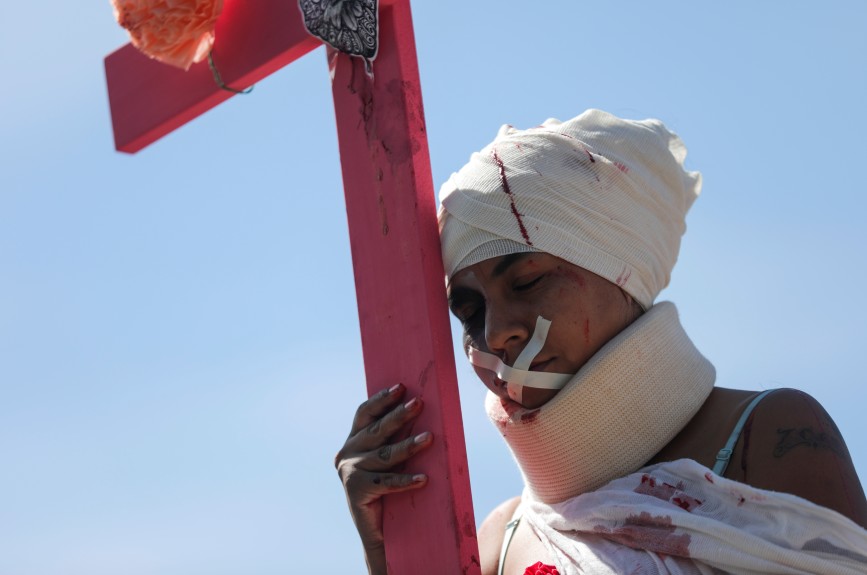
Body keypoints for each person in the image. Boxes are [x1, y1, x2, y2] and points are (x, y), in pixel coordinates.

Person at [334, 109, 867, 574]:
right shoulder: (499, 544)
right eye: (469, 312)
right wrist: (391, 551)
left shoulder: (767, 436)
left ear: (621, 274)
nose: (497, 333)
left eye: (527, 282)